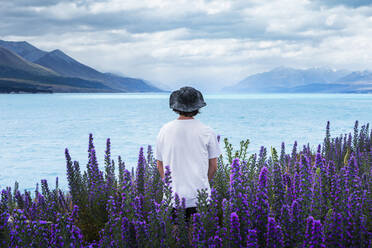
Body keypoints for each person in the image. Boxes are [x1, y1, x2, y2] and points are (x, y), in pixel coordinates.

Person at [155, 86, 221, 221]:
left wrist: (169, 185)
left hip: (172, 198)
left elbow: (159, 165)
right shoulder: (207, 131)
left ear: (176, 106)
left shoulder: (164, 130)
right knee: (197, 239)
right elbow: (213, 167)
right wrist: (202, 183)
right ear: (197, 107)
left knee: (175, 239)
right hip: (199, 198)